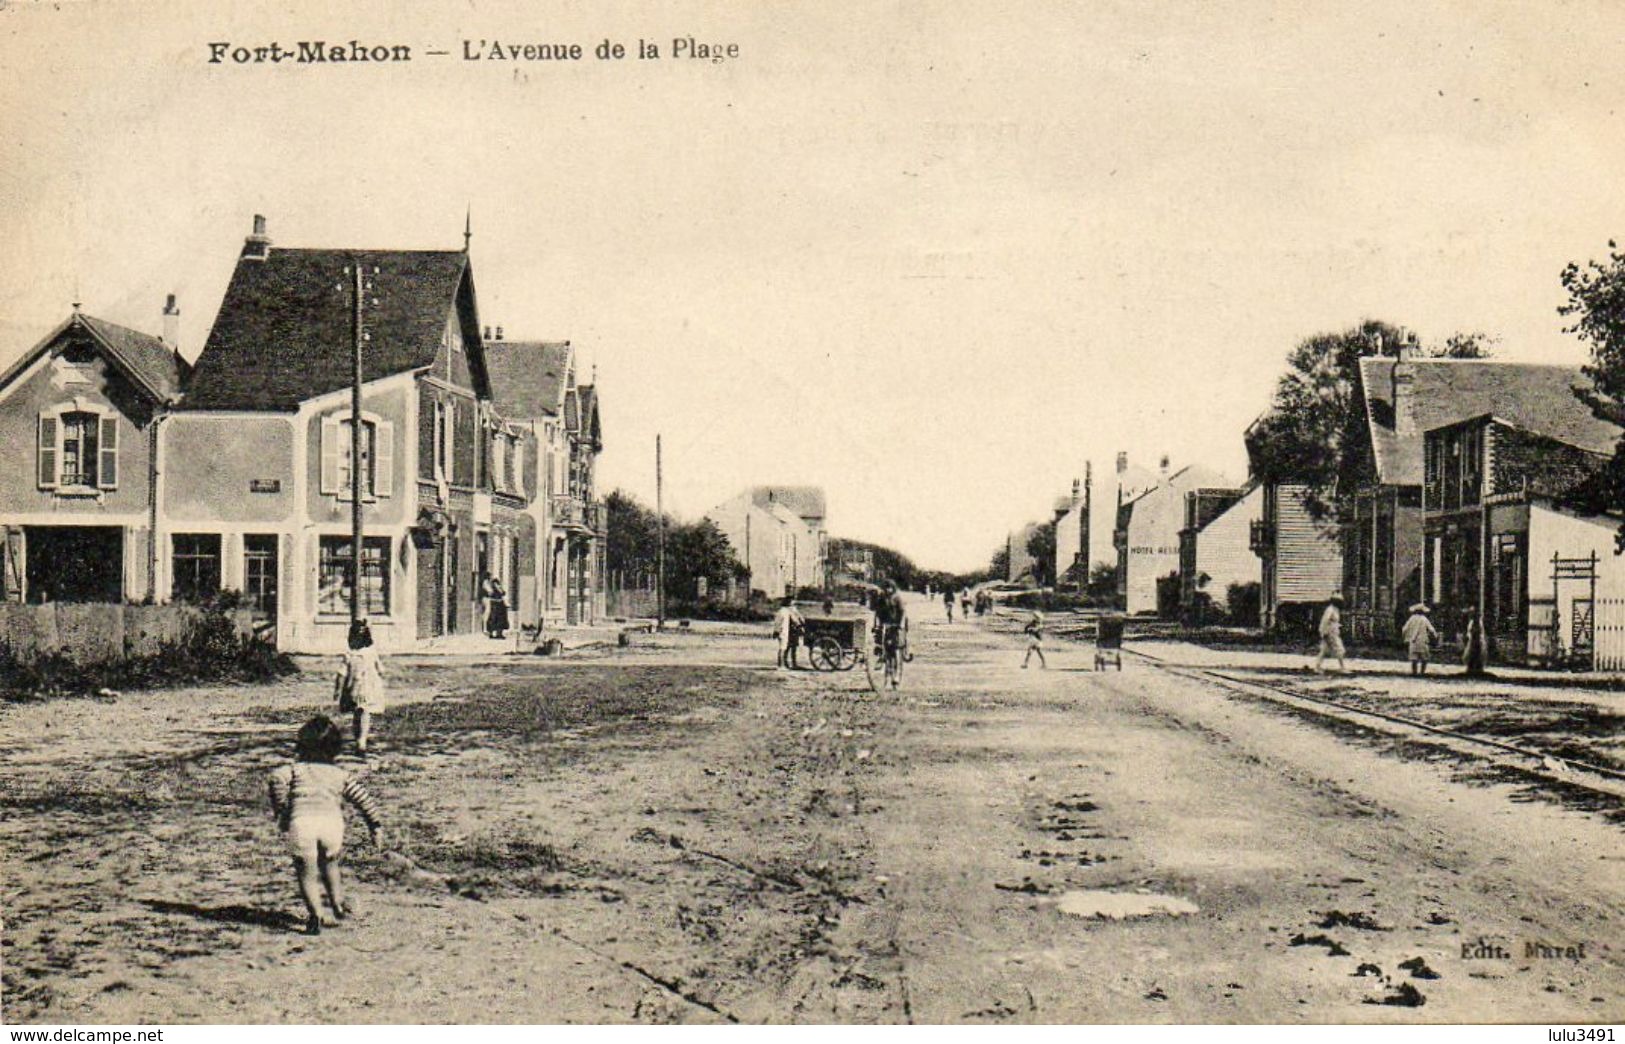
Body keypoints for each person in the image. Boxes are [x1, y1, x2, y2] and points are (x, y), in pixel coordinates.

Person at [267, 716, 385, 935]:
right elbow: (363, 799)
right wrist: (375, 825)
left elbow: (275, 779)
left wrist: (282, 809)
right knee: (330, 863)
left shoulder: (294, 770)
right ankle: (338, 904)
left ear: (301, 745)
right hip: (331, 825)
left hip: (302, 824)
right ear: (335, 748)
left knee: (306, 872)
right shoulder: (339, 775)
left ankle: (315, 915)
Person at [335, 620, 388, 754]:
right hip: (366, 687)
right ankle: (360, 739)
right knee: (362, 712)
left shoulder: (352, 654)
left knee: (360, 712)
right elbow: (381, 670)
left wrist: (338, 690)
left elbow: (341, 674)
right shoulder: (368, 652)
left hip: (357, 687)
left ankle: (360, 740)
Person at [1313, 594, 1347, 674]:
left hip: (1333, 631)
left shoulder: (1335, 610)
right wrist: (1323, 632)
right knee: (1340, 649)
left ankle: (1317, 667)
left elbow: (1334, 622)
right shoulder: (1330, 609)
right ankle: (1342, 667)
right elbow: (1325, 621)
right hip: (1330, 632)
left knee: (1324, 650)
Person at [1402, 603, 1439, 676]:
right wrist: (1435, 635)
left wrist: (1405, 637)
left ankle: (1414, 672)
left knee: (1414, 658)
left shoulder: (1411, 619)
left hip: (1413, 641)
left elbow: (1405, 628)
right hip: (1423, 640)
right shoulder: (1424, 619)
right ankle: (1422, 672)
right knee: (1424, 658)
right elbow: (1431, 629)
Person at [774, 595, 805, 670]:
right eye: (791, 602)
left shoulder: (789, 610)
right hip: (784, 631)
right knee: (783, 648)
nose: (792, 603)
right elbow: (778, 623)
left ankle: (787, 664)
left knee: (788, 648)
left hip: (789, 631)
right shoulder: (783, 611)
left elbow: (796, 618)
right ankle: (780, 665)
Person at [1462, 610, 1488, 677]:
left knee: (1478, 653)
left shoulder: (1478, 622)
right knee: (1472, 653)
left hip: (1477, 641)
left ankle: (1478, 668)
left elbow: (1481, 631)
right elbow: (1470, 631)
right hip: (1474, 640)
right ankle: (1471, 667)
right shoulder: (1473, 622)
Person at [485, 576, 510, 640]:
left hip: (500, 604)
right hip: (495, 605)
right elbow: (501, 593)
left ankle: (499, 633)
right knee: (494, 618)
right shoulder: (490, 588)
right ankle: (492, 633)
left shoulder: (497, 587)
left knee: (500, 619)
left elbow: (503, 593)